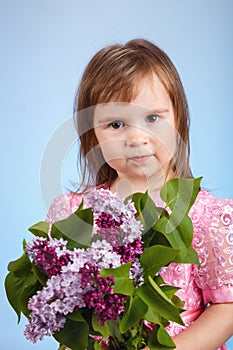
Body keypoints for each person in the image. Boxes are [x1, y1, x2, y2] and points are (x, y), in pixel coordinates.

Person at [47, 39, 233, 349]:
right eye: (116, 124)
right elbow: (69, 317)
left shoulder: (206, 216)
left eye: (152, 119)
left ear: (179, 121)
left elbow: (227, 309)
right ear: (92, 135)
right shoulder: (73, 214)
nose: (137, 138)